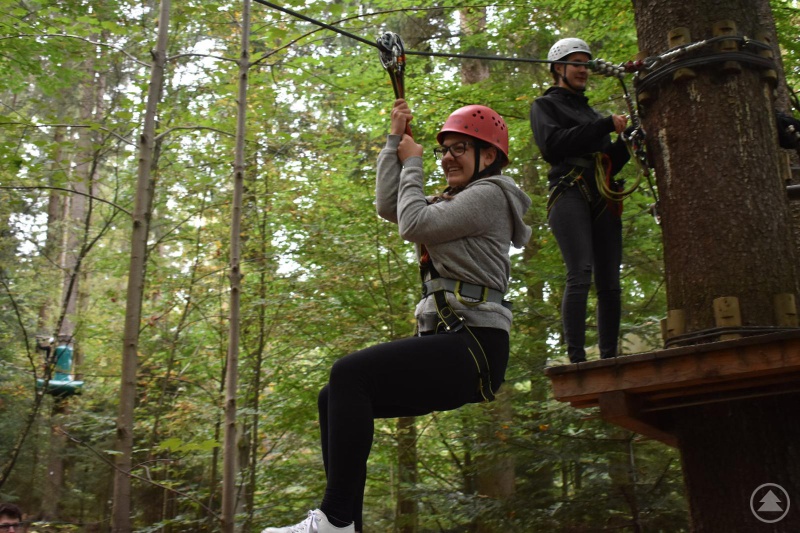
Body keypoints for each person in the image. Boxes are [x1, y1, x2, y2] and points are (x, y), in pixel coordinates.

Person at [262, 99, 531, 533]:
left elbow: (412, 223)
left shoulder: (490, 195)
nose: (447, 157)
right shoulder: (457, 201)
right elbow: (392, 206)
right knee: (334, 395)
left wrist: (414, 163)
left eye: (460, 148)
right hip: (452, 344)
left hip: (474, 345)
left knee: (350, 373)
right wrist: (393, 142)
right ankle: (346, 525)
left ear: (489, 157)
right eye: (444, 149)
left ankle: (334, 519)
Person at [530, 37, 631, 364]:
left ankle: (610, 358)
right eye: (576, 64)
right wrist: (603, 125)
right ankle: (577, 360)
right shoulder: (545, 106)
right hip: (569, 189)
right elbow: (553, 145)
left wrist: (626, 142)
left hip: (602, 190)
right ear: (558, 68)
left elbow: (608, 161)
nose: (583, 70)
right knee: (580, 272)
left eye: (586, 65)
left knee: (610, 281)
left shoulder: (590, 112)